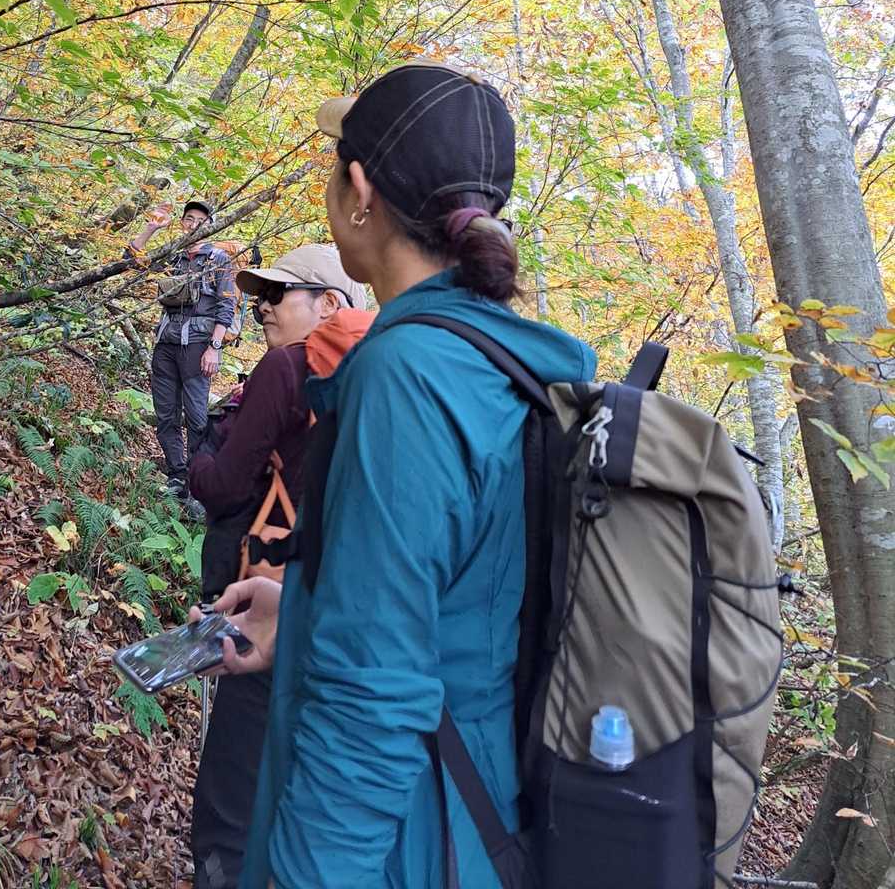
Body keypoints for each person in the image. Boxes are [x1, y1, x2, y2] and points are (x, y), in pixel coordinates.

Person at [203, 60, 596, 889]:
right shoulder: (496, 358)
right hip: (475, 805)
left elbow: (372, 698)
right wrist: (304, 611)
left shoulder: (406, 375)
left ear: (359, 192)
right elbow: (457, 598)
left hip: (409, 837)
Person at [187, 244, 372, 889]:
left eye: (277, 294)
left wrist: (196, 454)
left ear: (329, 304)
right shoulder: (384, 377)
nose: (262, 307)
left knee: (231, 796)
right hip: (345, 617)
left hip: (268, 602)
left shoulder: (286, 367)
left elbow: (223, 486)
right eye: (260, 295)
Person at [128, 198, 235, 505]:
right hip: (165, 344)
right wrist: (151, 228)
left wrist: (214, 348)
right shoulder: (173, 256)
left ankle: (196, 481)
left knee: (197, 417)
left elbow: (226, 306)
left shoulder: (218, 259)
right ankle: (176, 475)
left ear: (210, 226)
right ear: (182, 223)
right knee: (166, 413)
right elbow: (132, 262)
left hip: (198, 346)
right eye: (189, 218)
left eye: (200, 220)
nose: (193, 224)